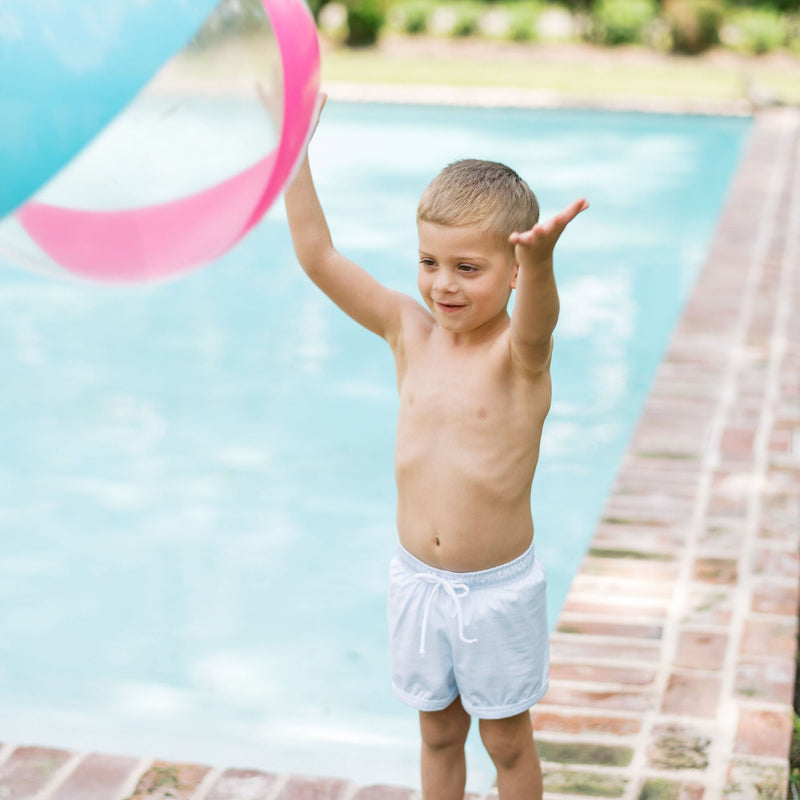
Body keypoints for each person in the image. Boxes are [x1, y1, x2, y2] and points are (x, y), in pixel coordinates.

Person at [283, 94, 588, 800]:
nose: (442, 284)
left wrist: (540, 263)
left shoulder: (518, 357)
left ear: (511, 272)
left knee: (506, 740)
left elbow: (540, 320)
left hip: (496, 594)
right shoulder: (407, 332)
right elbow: (319, 256)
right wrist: (294, 152)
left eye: (468, 268)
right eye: (429, 261)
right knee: (438, 733)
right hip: (417, 581)